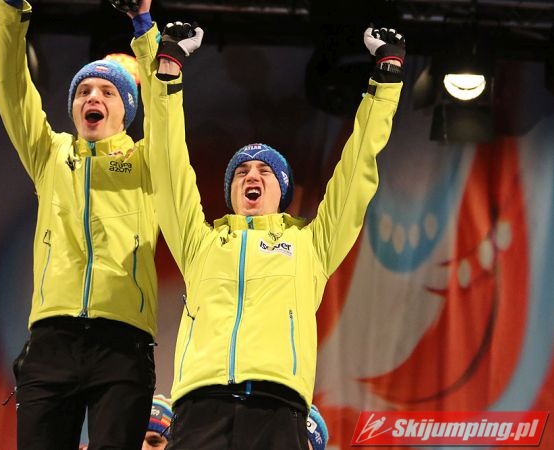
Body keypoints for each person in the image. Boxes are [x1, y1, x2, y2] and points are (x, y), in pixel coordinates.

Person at [146, 24, 405, 449]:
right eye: (241, 173)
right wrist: (168, 74)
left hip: (277, 405)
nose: (252, 175)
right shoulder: (199, 242)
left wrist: (387, 80)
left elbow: (357, 170)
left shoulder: (311, 245)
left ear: (281, 192)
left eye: (264, 171)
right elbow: (168, 164)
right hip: (199, 404)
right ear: (231, 192)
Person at [0, 0, 167, 447]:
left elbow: (167, 113)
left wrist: (144, 29)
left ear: (127, 110)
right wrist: (10, 10)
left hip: (123, 342)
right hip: (52, 338)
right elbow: (11, 88)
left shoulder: (148, 162)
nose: (93, 97)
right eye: (83, 91)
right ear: (72, 109)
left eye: (107, 92)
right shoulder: (50, 155)